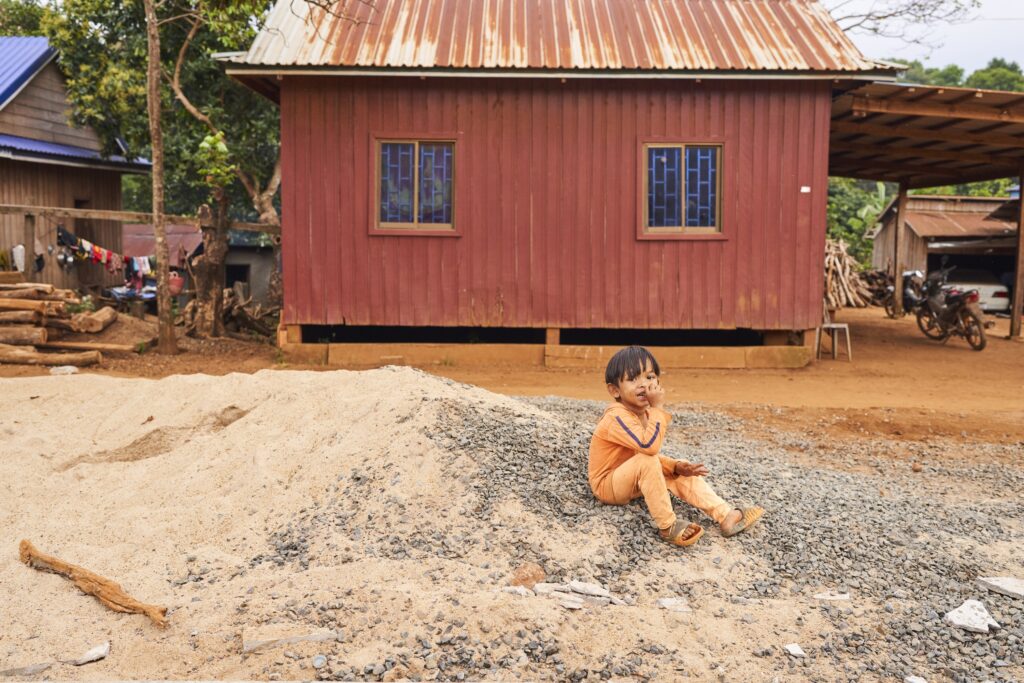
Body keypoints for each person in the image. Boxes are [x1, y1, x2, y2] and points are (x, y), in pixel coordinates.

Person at [588, 346, 764, 547]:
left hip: (633, 477)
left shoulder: (644, 415)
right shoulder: (616, 416)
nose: (643, 385)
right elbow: (648, 449)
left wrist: (675, 466)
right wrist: (658, 408)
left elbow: (644, 456)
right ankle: (668, 526)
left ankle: (725, 515)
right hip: (608, 486)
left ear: (658, 383)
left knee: (681, 469)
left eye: (650, 377)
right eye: (633, 379)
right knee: (649, 459)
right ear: (614, 390)